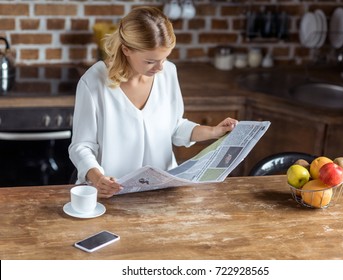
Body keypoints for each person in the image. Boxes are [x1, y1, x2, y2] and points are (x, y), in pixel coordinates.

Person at [69, 6, 238, 198]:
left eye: (164, 58)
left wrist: (213, 131)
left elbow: (175, 127)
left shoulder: (168, 73)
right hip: (111, 193)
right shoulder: (94, 81)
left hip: (162, 191)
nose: (159, 68)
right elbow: (81, 147)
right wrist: (97, 177)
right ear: (126, 50)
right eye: (150, 61)